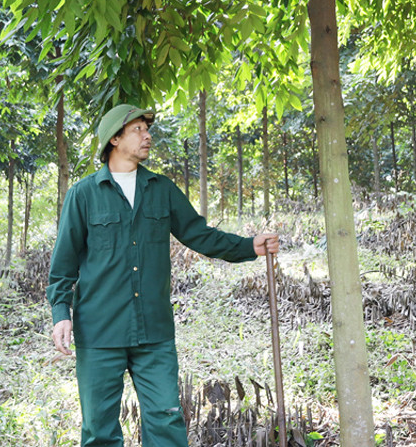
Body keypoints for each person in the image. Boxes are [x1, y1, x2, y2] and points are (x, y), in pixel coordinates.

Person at [48, 103, 279, 447]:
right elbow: (63, 264)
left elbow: (200, 234)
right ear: (114, 138)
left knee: (167, 422)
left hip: (153, 333)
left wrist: (250, 246)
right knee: (99, 430)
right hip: (99, 332)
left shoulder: (161, 189)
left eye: (147, 129)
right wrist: (60, 314)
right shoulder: (83, 195)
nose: (147, 136)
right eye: (138, 130)